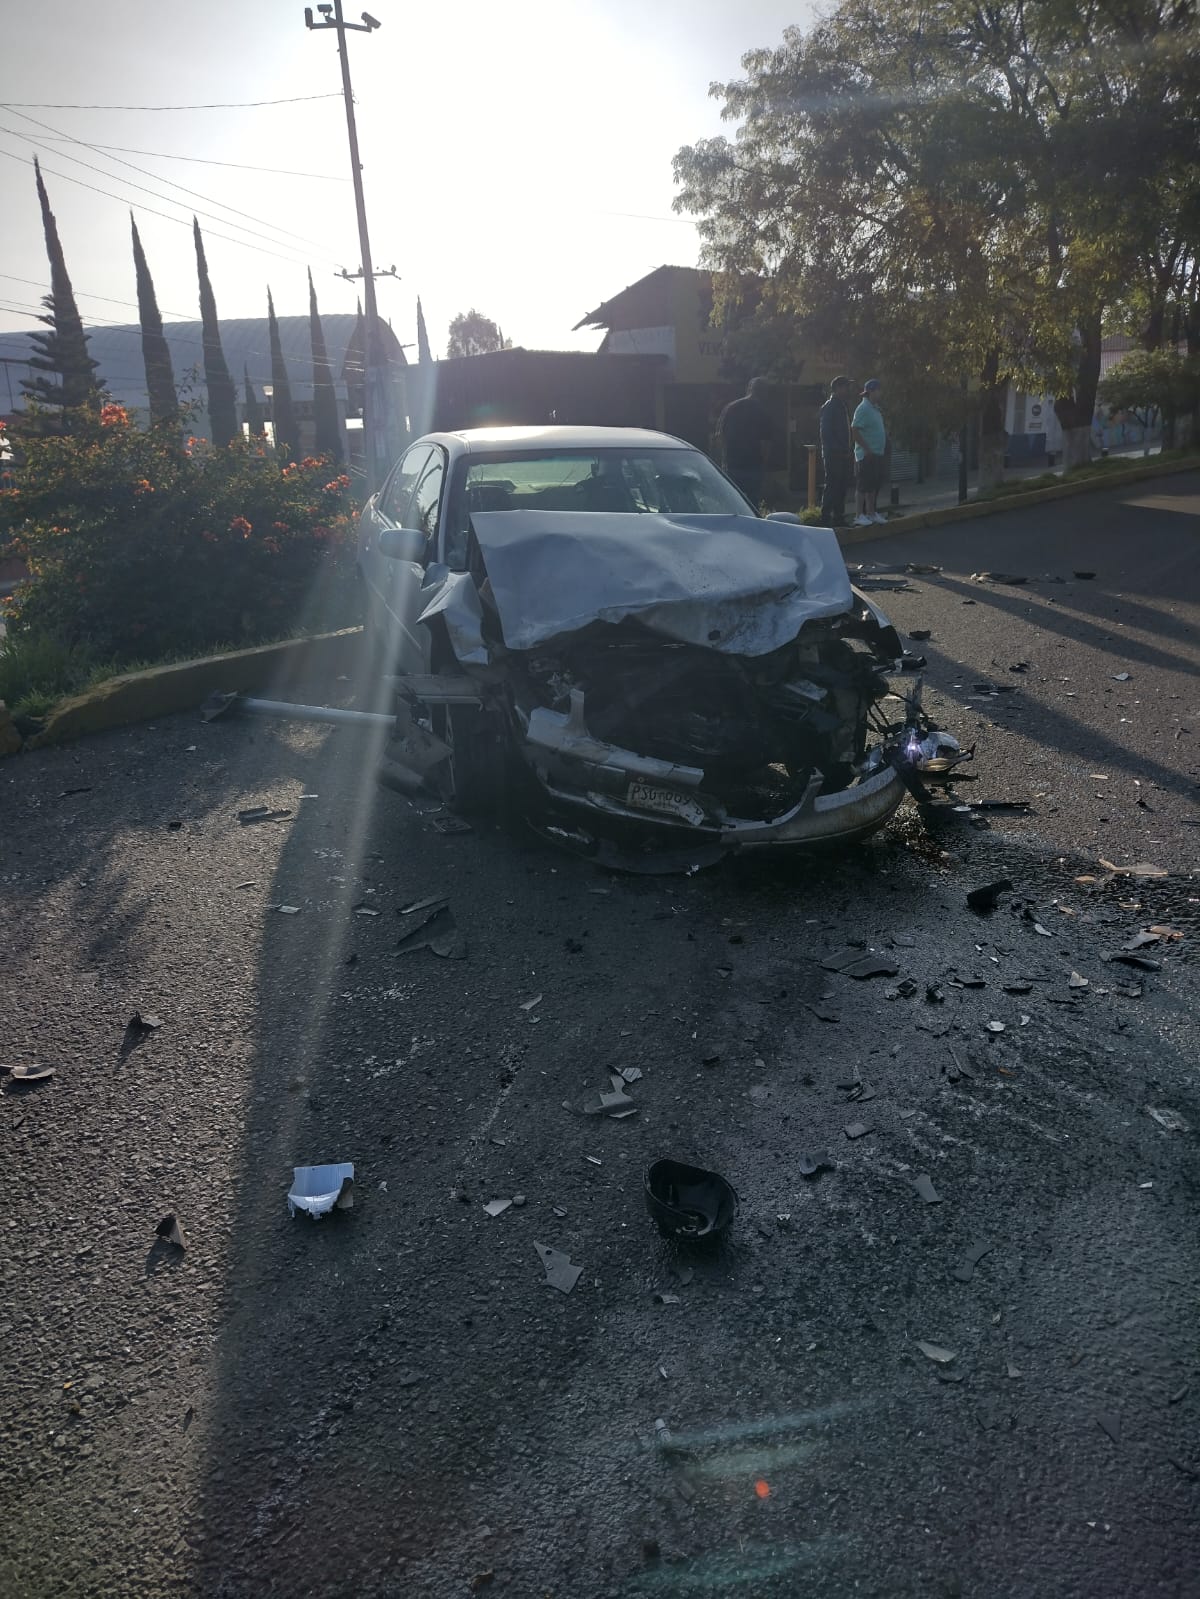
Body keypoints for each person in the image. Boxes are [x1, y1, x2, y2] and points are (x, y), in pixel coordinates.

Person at [717, 376, 773, 508]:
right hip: (753, 465)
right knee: (752, 505)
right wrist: (763, 464)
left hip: (732, 464)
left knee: (732, 504)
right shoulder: (763, 412)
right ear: (765, 392)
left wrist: (724, 460)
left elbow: (720, 436)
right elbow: (766, 444)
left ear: (749, 389)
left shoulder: (731, 407)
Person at [851, 377, 888, 526]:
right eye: (878, 390)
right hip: (866, 455)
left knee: (873, 485)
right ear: (871, 391)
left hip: (877, 454)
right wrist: (866, 449)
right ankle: (859, 515)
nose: (880, 393)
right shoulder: (863, 408)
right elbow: (854, 430)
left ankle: (871, 513)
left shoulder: (875, 408)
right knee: (863, 485)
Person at [818, 375, 853, 525]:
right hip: (833, 454)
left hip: (844, 452)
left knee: (842, 486)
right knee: (832, 485)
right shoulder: (830, 406)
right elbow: (825, 433)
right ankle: (825, 518)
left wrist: (848, 448)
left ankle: (839, 517)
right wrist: (838, 449)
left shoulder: (842, 405)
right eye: (845, 386)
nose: (847, 389)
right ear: (837, 388)